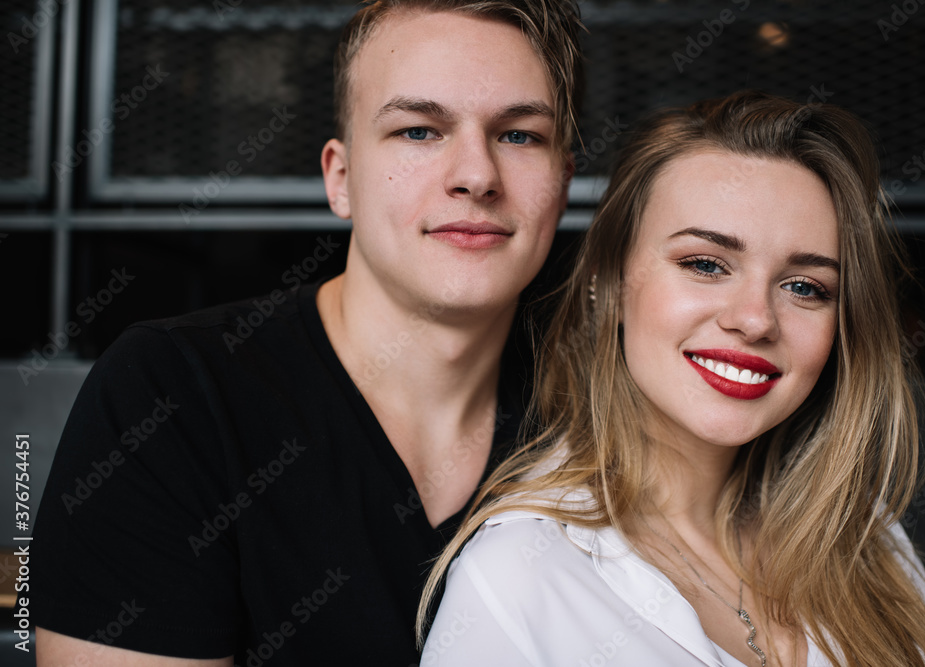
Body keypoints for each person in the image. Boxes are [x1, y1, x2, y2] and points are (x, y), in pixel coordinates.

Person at [32, 0, 583, 664]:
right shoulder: (174, 392)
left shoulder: (604, 408)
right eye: (418, 130)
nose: (476, 175)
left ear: (563, 182)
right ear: (340, 178)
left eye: (520, 135)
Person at [419, 91, 925, 666]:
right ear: (609, 284)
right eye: (705, 264)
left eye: (805, 287)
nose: (753, 320)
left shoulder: (862, 533)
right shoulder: (518, 581)